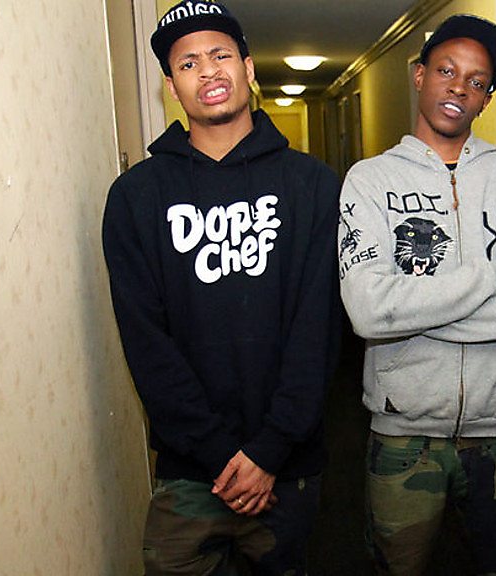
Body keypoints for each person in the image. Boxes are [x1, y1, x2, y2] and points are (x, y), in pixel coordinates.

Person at [102, 1, 340, 574]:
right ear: (171, 86)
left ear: (248, 68)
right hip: (190, 471)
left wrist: (269, 450)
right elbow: (146, 341)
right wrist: (217, 454)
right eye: (188, 63)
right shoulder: (135, 197)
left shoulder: (312, 184)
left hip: (287, 465)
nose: (207, 70)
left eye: (220, 55)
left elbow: (319, 327)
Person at [337, 14, 496, 576]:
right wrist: (495, 276)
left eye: (476, 81)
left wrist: (409, 309)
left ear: (486, 99)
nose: (459, 87)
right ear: (419, 75)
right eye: (446, 70)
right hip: (403, 435)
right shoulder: (368, 182)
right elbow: (367, 310)